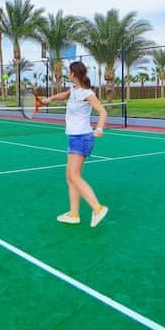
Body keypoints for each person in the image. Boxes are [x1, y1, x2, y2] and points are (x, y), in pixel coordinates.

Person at [43, 61, 109, 227]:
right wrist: (50, 98)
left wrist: (99, 128)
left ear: (73, 74)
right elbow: (64, 95)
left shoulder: (87, 93)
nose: (68, 74)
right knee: (70, 176)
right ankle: (73, 214)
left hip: (82, 138)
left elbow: (102, 112)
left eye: (69, 72)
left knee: (74, 176)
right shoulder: (74, 91)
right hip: (74, 137)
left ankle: (98, 208)